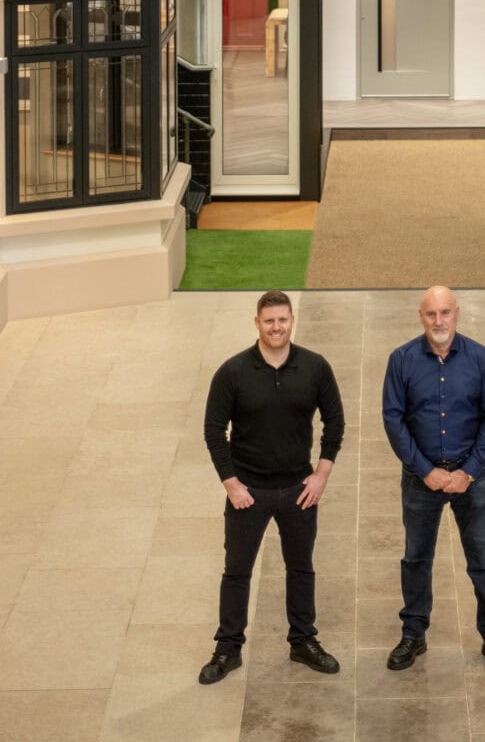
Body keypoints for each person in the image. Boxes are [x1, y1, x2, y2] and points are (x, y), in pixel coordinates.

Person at [199, 290, 346, 685]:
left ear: (292, 321)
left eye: (283, 320)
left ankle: (303, 641)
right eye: (269, 321)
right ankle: (227, 649)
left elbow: (335, 422)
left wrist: (321, 475)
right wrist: (231, 484)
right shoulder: (233, 372)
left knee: (301, 569)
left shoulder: (315, 367)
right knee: (236, 572)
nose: (276, 327)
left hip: (299, 490)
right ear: (257, 323)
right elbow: (214, 431)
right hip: (248, 493)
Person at [381, 285, 485, 674]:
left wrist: (467, 471)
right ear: (421, 317)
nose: (438, 322)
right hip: (421, 480)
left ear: (457, 313)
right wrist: (426, 471)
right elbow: (393, 419)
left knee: (482, 561)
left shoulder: (480, 359)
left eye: (445, 313)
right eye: (431, 314)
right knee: (416, 558)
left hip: (472, 480)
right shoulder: (402, 360)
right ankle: (413, 634)